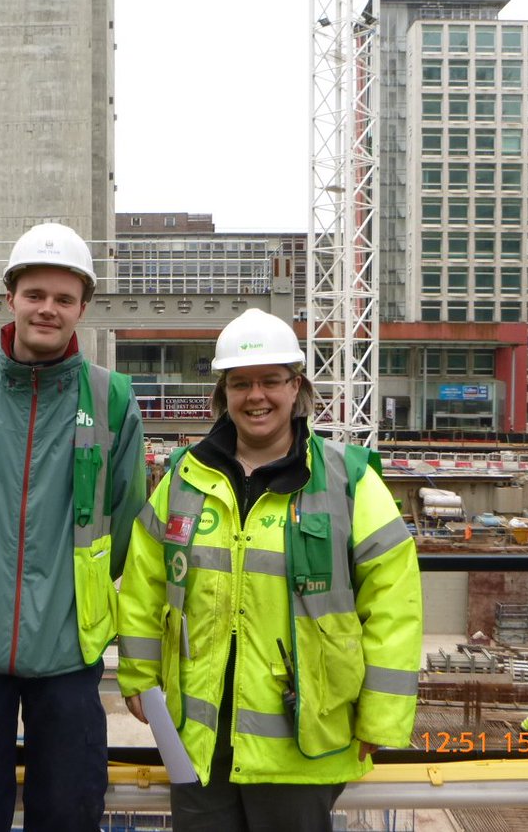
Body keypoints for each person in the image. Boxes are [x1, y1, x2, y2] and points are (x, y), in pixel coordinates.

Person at [117, 308, 422, 832]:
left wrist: (382, 714)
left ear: (295, 386)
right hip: (202, 739)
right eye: (240, 383)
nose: (256, 396)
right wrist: (139, 677)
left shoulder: (347, 482)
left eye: (270, 381)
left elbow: (393, 604)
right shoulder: (184, 479)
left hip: (303, 740)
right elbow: (145, 585)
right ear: (224, 393)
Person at [0, 222, 147, 832]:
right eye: (35, 294)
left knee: (69, 814)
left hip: (69, 651)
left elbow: (126, 521)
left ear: (82, 309)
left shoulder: (111, 398)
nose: (48, 308)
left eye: (64, 298)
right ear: (10, 297)